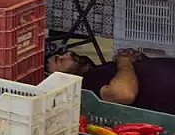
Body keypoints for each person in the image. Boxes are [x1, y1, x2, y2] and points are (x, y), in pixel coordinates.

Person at [47, 49, 175, 115]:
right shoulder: (87, 84)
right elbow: (123, 94)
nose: (68, 54)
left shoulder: (97, 73)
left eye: (63, 53)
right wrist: (123, 60)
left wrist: (140, 62)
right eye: (59, 60)